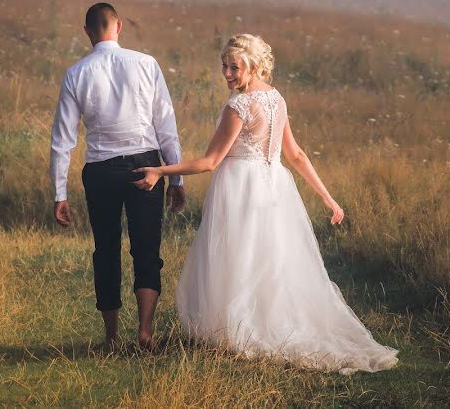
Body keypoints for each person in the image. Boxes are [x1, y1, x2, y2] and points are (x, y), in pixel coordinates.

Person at [133, 34, 398, 373]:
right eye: (224, 66)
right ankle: (264, 321)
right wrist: (326, 197)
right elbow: (296, 155)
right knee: (269, 258)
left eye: (235, 68)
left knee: (241, 258)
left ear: (254, 66)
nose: (227, 74)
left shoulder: (239, 106)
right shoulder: (275, 98)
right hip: (274, 187)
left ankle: (242, 328)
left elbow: (211, 161)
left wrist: (159, 169)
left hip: (241, 187)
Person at [50, 2, 186, 350]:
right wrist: (177, 178)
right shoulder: (146, 63)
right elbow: (165, 125)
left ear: (87, 32)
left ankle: (111, 338)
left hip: (100, 170)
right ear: (118, 26)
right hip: (146, 165)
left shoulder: (75, 73)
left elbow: (63, 140)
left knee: (106, 250)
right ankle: (144, 332)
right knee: (146, 248)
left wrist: (59, 193)